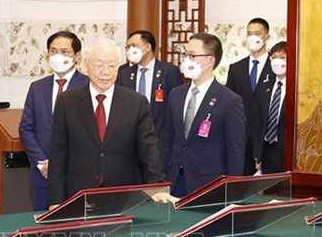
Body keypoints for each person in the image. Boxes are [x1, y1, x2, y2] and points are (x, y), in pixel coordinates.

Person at [47, 38, 165, 205]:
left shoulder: (136, 102)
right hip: (78, 193)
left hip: (123, 194)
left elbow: (149, 150)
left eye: (112, 66)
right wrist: (55, 200)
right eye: (99, 65)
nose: (106, 72)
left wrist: (158, 188)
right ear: (86, 65)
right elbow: (58, 154)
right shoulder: (67, 102)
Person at [162, 33, 246, 197]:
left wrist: (232, 191)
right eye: (185, 55)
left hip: (208, 183)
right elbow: (167, 139)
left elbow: (235, 150)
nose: (186, 60)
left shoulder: (229, 100)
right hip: (174, 181)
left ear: (210, 60)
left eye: (192, 55)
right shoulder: (175, 94)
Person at [19, 31, 89, 211]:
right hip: (42, 175)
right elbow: (26, 129)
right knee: (43, 229)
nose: (58, 56)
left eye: (64, 52)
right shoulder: (37, 87)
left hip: (75, 174)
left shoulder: (88, 86)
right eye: (53, 51)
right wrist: (42, 162)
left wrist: (59, 163)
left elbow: (89, 133)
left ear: (77, 56)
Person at [116, 30, 183, 168]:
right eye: (128, 47)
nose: (130, 50)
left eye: (133, 45)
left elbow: (176, 109)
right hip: (130, 145)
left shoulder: (169, 71)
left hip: (160, 144)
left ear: (147, 47)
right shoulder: (124, 73)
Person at [226, 17, 275, 175]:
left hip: (267, 137)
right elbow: (229, 104)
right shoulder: (236, 68)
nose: (252, 37)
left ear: (266, 37)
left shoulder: (275, 67)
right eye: (249, 34)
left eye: (257, 33)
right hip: (242, 136)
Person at [254, 41, 288, 174]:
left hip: (285, 151)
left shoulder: (296, 89)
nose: (277, 61)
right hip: (266, 148)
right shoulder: (265, 86)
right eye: (274, 57)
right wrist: (258, 154)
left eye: (282, 57)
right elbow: (258, 122)